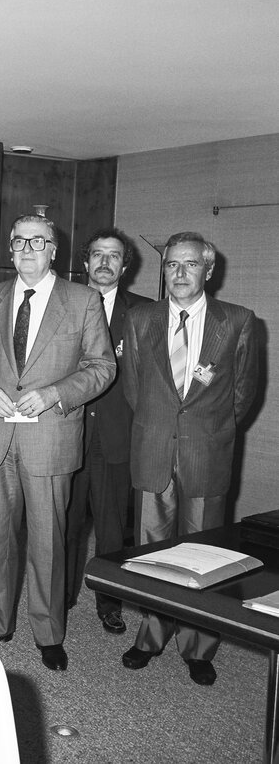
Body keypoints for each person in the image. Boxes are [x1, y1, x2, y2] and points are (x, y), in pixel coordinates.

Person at [0, 214, 115, 671]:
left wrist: (53, 395)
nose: (28, 248)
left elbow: (102, 367)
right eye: (19, 241)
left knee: (48, 540)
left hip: (51, 437)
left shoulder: (83, 300)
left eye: (38, 241)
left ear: (54, 250)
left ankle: (48, 632)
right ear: (10, 250)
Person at [120, 231, 258, 686]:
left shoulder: (237, 321)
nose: (179, 273)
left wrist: (209, 432)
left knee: (204, 554)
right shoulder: (141, 318)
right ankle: (150, 637)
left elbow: (243, 396)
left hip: (207, 454)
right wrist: (162, 426)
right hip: (153, 449)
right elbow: (135, 388)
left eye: (190, 265)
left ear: (208, 269)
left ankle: (198, 646)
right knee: (152, 551)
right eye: (172, 265)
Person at [65, 228, 151, 634]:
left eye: (113, 256)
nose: (104, 262)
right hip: (67, 431)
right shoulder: (61, 303)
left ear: (124, 265)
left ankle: (109, 602)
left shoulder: (146, 312)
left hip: (117, 436)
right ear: (85, 262)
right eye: (97, 254)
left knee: (113, 528)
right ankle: (59, 596)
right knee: (63, 522)